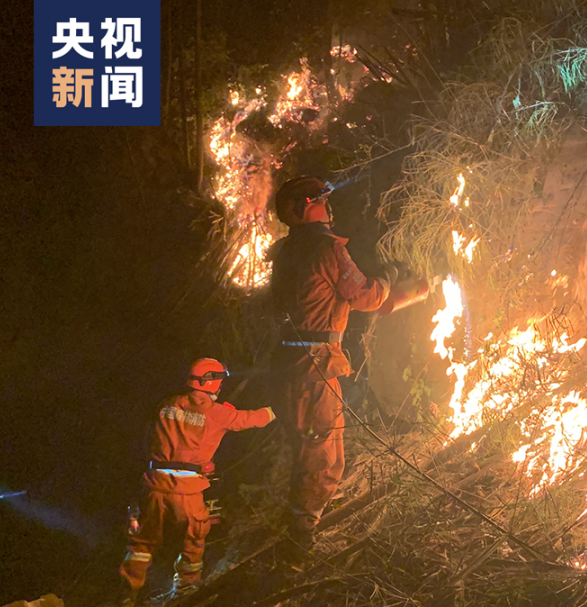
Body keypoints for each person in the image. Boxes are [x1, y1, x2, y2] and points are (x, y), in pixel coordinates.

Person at [268, 176, 391, 553]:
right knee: (320, 454)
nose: (328, 205)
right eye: (322, 200)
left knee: (320, 449)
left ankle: (305, 519)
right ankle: (298, 541)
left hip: (290, 364)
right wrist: (389, 279)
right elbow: (365, 295)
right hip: (314, 367)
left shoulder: (285, 251)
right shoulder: (326, 248)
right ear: (307, 206)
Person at [119, 358, 275, 604]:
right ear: (211, 382)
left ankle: (126, 597)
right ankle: (185, 593)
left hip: (154, 486)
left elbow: (157, 439)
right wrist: (277, 409)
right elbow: (253, 419)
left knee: (142, 545)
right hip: (188, 491)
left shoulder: (167, 405)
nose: (221, 386)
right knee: (193, 542)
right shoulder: (218, 413)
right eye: (219, 381)